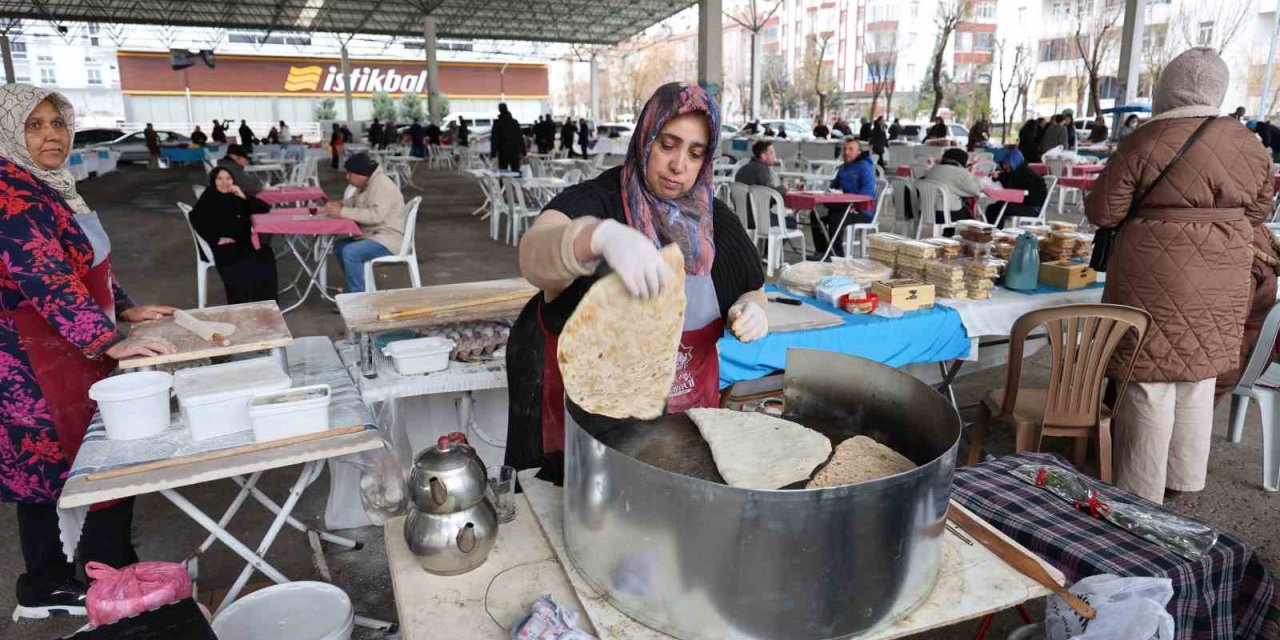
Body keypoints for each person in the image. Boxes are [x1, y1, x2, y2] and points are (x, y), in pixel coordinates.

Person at [505, 82, 767, 484]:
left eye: (695, 154)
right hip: (585, 426)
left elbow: (752, 286)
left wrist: (752, 308)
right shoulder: (595, 200)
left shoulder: (713, 221)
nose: (679, 165)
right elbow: (533, 255)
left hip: (685, 420)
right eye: (667, 144)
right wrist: (597, 236)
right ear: (646, 136)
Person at [0, 84, 178, 622]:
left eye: (57, 123)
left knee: (92, 456)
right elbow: (45, 276)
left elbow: (89, 263)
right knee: (49, 467)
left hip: (72, 345)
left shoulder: (53, 186)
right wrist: (105, 338)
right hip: (33, 359)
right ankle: (48, 585)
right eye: (34, 125)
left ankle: (100, 565)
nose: (51, 134)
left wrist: (123, 309)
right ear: (10, 132)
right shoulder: (12, 195)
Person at [1085, 47, 1272, 504]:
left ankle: (1140, 491)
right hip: (1226, 272)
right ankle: (1184, 482)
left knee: (1147, 381)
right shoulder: (1250, 143)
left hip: (1153, 274)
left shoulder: (1145, 140)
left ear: (1167, 87)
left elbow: (1103, 210)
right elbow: (1261, 209)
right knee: (1198, 375)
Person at [189, 168, 277, 304]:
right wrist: (216, 239)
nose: (224, 182)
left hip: (244, 242)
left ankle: (266, 302)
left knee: (266, 254)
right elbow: (195, 218)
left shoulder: (236, 194)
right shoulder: (209, 196)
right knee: (243, 262)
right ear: (214, 181)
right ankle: (244, 303)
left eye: (228, 178)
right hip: (225, 246)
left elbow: (264, 208)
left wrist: (242, 196)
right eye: (220, 179)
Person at [323, 153, 407, 293]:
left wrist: (342, 212)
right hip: (374, 235)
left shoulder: (382, 185)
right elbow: (355, 201)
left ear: (359, 174)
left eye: (349, 173)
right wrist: (340, 204)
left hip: (388, 239)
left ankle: (358, 296)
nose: (347, 177)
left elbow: (375, 216)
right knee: (339, 247)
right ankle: (361, 288)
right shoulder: (368, 183)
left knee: (351, 252)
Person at [821, 137, 878, 256]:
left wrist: (854, 204)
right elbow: (833, 187)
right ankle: (822, 251)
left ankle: (836, 256)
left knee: (836, 218)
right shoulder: (842, 168)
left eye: (851, 149)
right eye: (844, 149)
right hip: (846, 206)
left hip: (863, 211)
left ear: (859, 152)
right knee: (817, 213)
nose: (846, 152)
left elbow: (868, 192)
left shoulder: (865, 167)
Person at [922, 148, 982, 233]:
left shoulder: (933, 169)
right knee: (969, 214)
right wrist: (971, 174)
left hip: (924, 212)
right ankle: (954, 239)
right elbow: (976, 190)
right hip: (944, 215)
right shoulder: (960, 172)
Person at [983, 149, 1046, 227]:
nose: (1004, 166)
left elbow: (1016, 190)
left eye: (1006, 164)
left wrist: (1001, 177)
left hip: (1032, 207)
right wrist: (999, 176)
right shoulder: (1018, 172)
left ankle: (995, 231)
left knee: (998, 208)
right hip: (1023, 203)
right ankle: (993, 231)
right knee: (993, 208)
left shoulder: (1028, 176)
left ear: (1013, 163)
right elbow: (1008, 178)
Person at [491, 103, 524, 172]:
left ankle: (504, 183)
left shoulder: (497, 123)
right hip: (515, 151)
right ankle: (516, 182)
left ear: (499, 110)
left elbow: (494, 139)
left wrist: (493, 153)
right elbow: (520, 137)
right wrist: (523, 151)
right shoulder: (515, 122)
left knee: (503, 172)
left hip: (503, 151)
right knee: (516, 172)